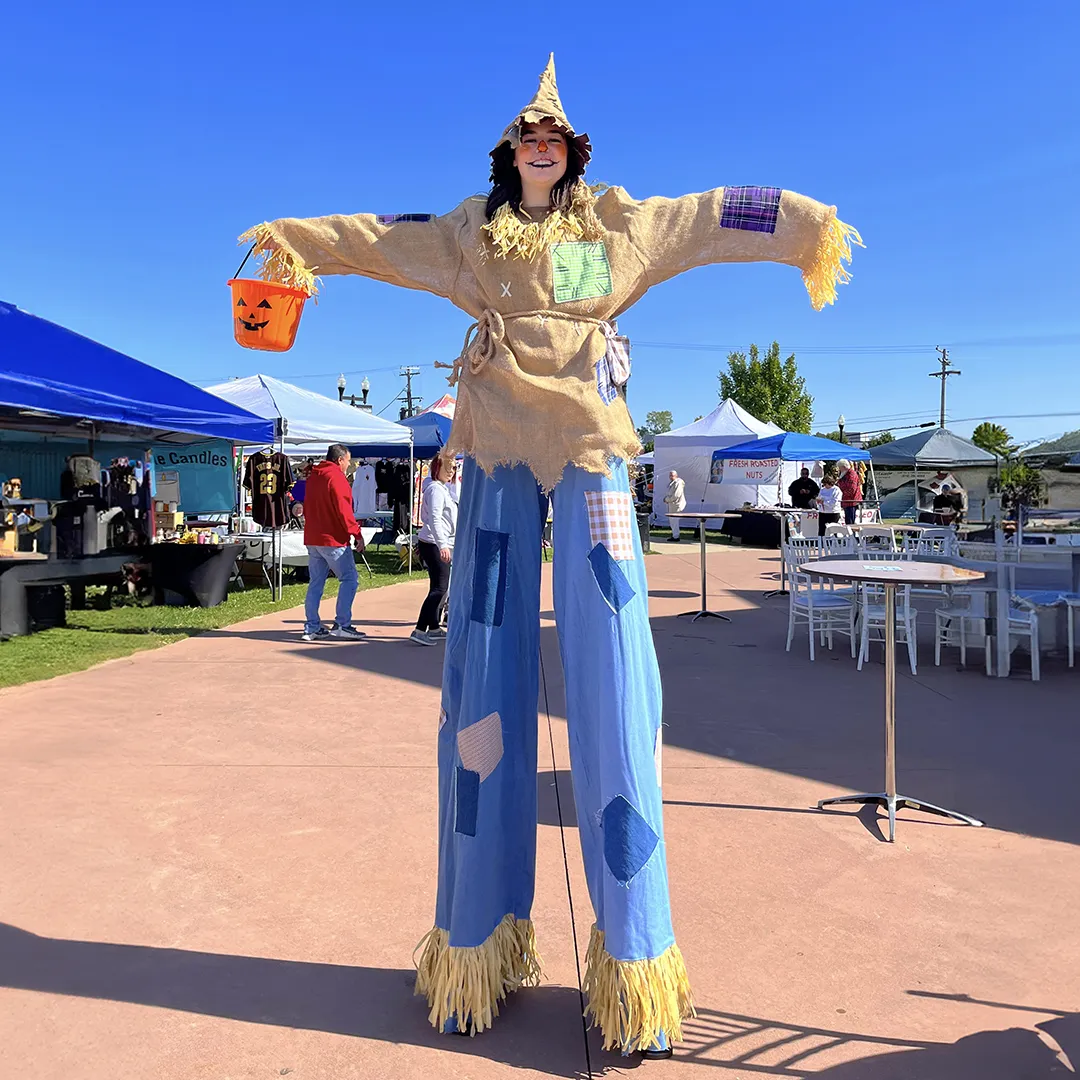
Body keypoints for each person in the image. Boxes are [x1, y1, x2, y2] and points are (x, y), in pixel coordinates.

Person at [240, 54, 860, 1055]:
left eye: (554, 141)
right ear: (509, 153)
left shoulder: (618, 224)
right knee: (480, 689)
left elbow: (708, 215)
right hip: (491, 451)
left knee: (614, 682)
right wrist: (296, 245)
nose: (540, 150)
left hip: (589, 456)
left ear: (571, 154)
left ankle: (634, 971)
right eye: (527, 139)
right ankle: (474, 950)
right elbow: (375, 240)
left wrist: (803, 226)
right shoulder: (470, 234)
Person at [301, 444, 366, 642]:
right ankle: (342, 624)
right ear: (340, 460)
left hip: (313, 537)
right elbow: (344, 511)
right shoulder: (336, 478)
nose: (350, 464)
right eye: (348, 460)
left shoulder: (314, 476)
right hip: (332, 538)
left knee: (316, 582)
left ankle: (311, 626)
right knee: (349, 578)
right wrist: (357, 533)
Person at [412, 454, 457, 646]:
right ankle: (420, 629)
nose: (451, 471)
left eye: (453, 468)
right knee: (440, 588)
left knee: (438, 587)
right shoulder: (435, 490)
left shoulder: (441, 489)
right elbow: (435, 519)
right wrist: (442, 544)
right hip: (434, 543)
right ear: (437, 468)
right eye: (447, 467)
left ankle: (434, 626)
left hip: (435, 541)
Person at [836, 459, 863, 525]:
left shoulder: (851, 475)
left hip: (851, 501)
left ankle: (852, 534)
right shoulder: (845, 474)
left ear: (844, 467)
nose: (839, 469)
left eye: (840, 468)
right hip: (847, 501)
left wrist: (841, 494)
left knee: (850, 521)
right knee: (848, 520)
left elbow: (851, 490)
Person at [664, 470, 687, 541]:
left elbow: (676, 495)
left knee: (674, 521)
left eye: (672, 475)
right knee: (672, 521)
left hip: (676, 504)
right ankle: (675, 535)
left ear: (676, 476)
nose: (671, 477)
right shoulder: (673, 483)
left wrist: (667, 499)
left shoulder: (678, 483)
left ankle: (676, 536)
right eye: (670, 475)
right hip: (673, 504)